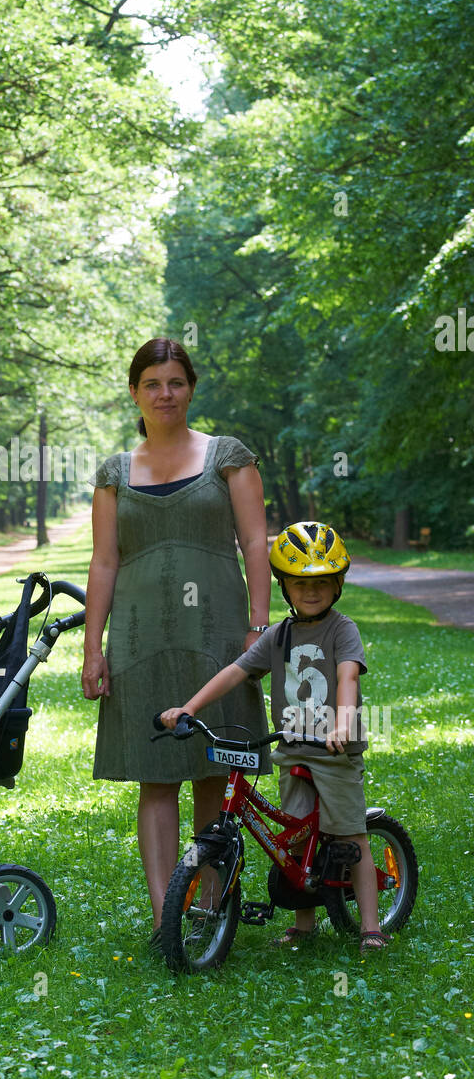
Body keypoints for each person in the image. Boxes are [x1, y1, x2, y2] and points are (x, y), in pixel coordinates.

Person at [82, 337, 270, 947]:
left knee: (212, 768)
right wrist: (93, 647)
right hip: (137, 640)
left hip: (215, 636)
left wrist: (260, 629)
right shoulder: (114, 474)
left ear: (191, 388)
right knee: (155, 775)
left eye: (176, 383)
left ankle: (208, 903)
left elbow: (255, 545)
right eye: (152, 384)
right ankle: (167, 912)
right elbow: (104, 563)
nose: (165, 394)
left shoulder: (228, 457)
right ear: (135, 392)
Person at [160, 521, 387, 953]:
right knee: (296, 840)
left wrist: (342, 723)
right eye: (300, 583)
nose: (312, 591)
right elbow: (237, 671)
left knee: (349, 835)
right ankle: (305, 923)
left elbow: (347, 678)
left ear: (338, 584)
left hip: (333, 751)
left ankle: (371, 927)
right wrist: (190, 706)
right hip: (292, 749)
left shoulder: (343, 630)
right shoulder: (279, 635)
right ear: (284, 586)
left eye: (321, 582)